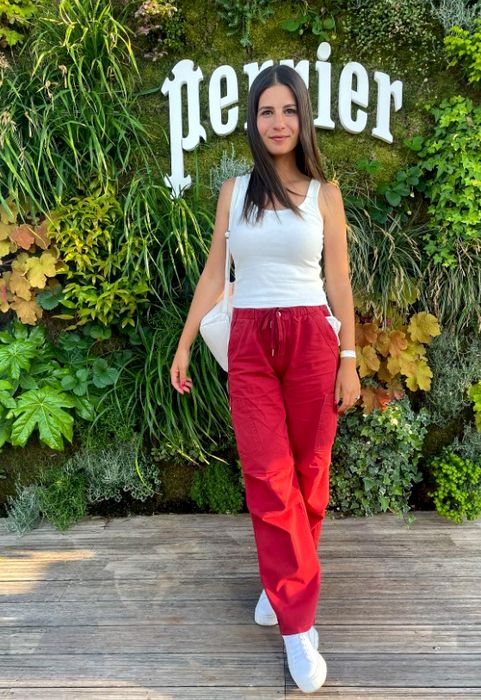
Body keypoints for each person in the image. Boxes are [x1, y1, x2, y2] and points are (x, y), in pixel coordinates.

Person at [170, 64, 361, 694]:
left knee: (310, 474)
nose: (278, 122)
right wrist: (185, 341)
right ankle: (297, 624)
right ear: (253, 122)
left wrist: (350, 357)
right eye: (266, 112)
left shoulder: (325, 194)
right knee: (267, 475)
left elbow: (339, 281)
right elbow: (214, 273)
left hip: (312, 339)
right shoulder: (234, 191)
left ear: (303, 117)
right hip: (250, 341)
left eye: (288, 110)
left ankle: (280, 583)